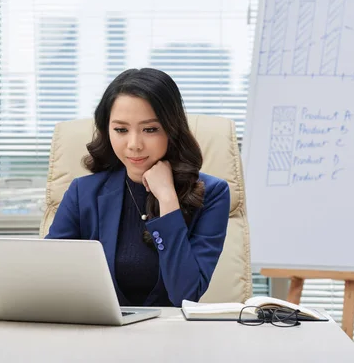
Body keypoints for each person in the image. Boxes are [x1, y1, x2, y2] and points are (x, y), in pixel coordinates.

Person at [45, 68, 230, 307]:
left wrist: (167, 198)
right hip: (98, 336)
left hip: (172, 338)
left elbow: (185, 294)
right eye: (121, 130)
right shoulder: (83, 192)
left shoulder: (213, 193)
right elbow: (48, 278)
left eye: (150, 129)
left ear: (172, 129)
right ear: (106, 130)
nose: (134, 145)